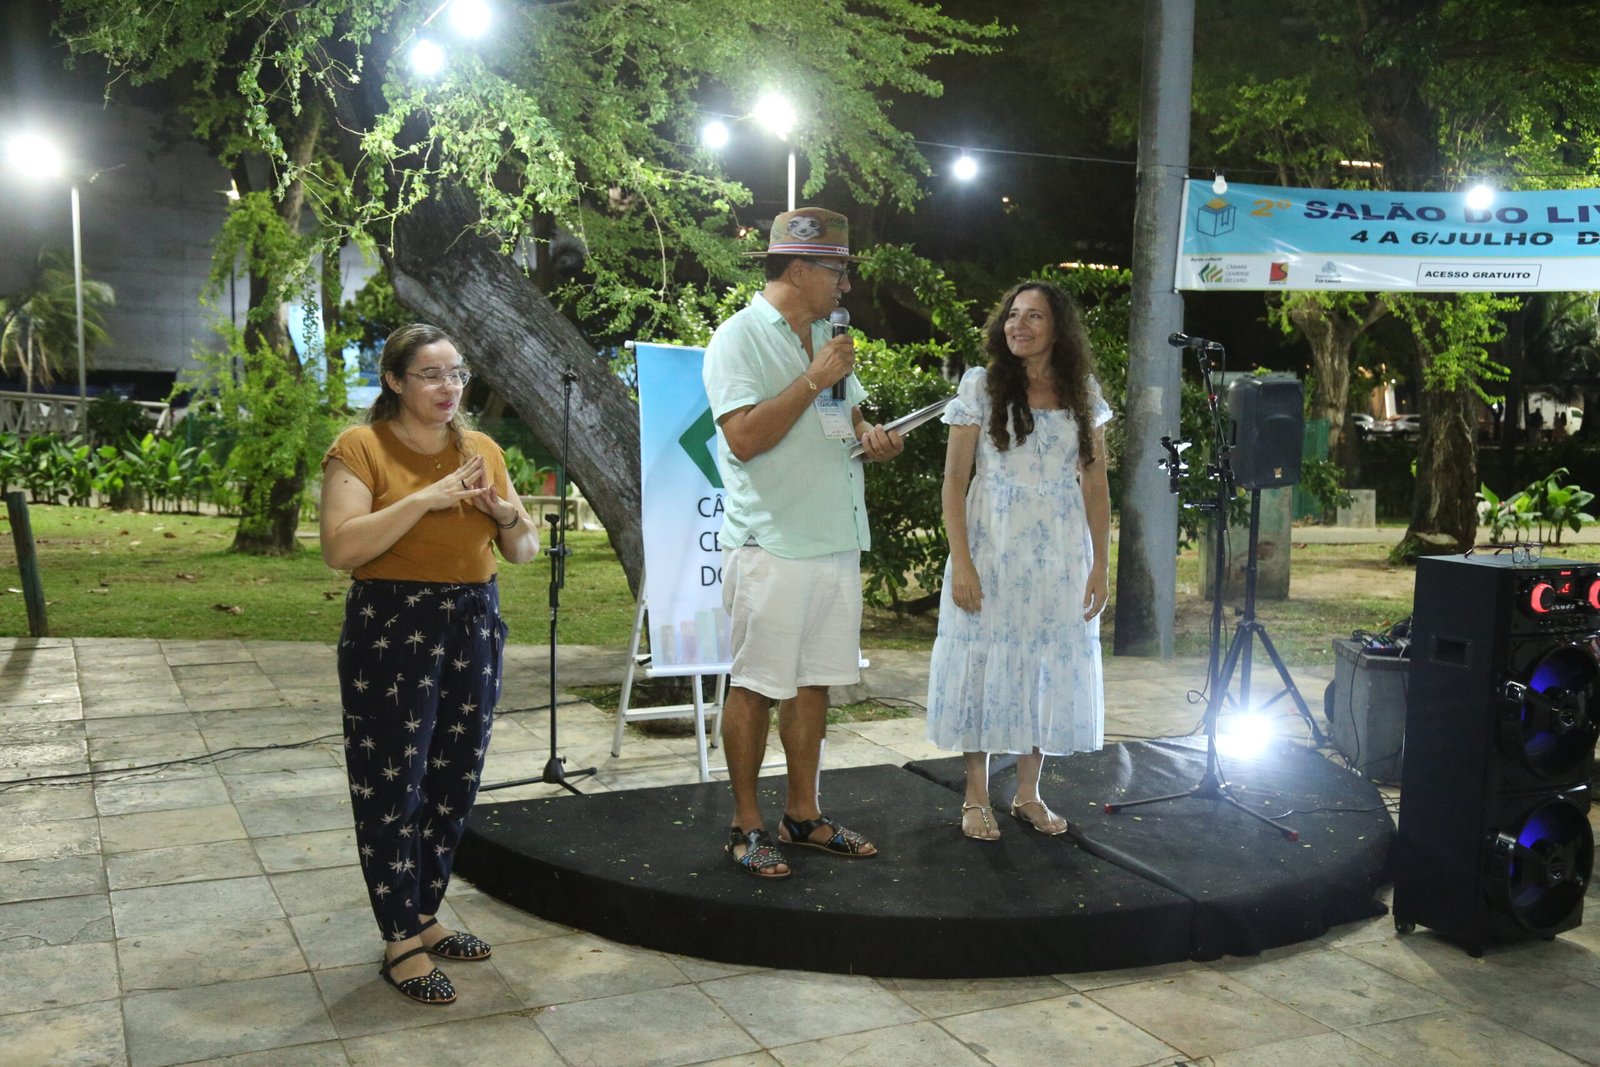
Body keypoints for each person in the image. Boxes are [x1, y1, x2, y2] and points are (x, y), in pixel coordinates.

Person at [320, 323, 539, 1004]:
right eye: (432, 375)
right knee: (392, 784)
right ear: (394, 381)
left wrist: (505, 515)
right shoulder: (361, 447)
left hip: (473, 621)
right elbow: (340, 548)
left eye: (457, 374)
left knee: (454, 777)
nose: (450, 387)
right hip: (393, 627)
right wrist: (426, 500)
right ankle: (399, 940)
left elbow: (523, 550)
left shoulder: (482, 451)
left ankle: (423, 911)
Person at [703, 207, 904, 878]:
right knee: (756, 686)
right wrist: (814, 376)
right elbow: (744, 438)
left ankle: (802, 815)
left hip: (835, 536)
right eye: (836, 271)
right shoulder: (737, 337)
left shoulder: (827, 337)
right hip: (773, 542)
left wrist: (874, 439)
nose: (846, 285)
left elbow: (847, 419)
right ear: (797, 269)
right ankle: (745, 825)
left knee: (814, 683)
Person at [924, 281, 1113, 841]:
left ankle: (1028, 792)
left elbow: (1096, 482)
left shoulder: (1082, 392)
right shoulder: (980, 387)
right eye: (1013, 314)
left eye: (1034, 316)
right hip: (992, 547)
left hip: (1059, 554)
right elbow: (954, 481)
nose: (1018, 325)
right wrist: (962, 562)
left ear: (1059, 328)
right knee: (981, 661)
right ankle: (976, 794)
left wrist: (1101, 565)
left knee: (1044, 664)